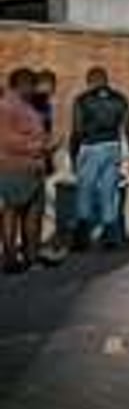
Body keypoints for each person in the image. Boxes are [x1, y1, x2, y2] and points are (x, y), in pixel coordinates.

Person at [70, 67, 129, 250]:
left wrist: (73, 154)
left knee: (85, 193)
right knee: (110, 194)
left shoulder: (82, 100)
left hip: (90, 147)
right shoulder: (120, 98)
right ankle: (111, 238)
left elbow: (76, 130)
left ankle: (81, 240)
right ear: (106, 80)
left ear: (90, 80)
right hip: (113, 148)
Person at [0, 69, 50, 273]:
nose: (34, 89)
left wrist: (47, 143)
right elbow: (5, 140)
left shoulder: (30, 106)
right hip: (13, 167)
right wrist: (38, 146)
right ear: (20, 84)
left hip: (34, 169)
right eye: (31, 84)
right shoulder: (5, 107)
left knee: (33, 214)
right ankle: (10, 258)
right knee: (11, 212)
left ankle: (32, 257)